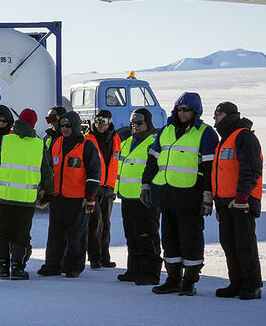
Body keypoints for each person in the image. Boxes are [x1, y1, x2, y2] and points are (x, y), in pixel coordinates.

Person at [141, 92, 219, 296]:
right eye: (180, 109)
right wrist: (146, 185)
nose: (183, 113)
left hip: (190, 196)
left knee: (190, 240)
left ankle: (189, 282)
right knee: (169, 240)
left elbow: (210, 168)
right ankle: (173, 279)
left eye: (187, 109)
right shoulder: (165, 131)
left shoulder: (205, 133)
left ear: (196, 111)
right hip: (166, 195)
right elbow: (152, 160)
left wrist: (208, 195)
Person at [0, 108, 53, 280]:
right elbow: (47, 172)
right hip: (26, 199)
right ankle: (18, 268)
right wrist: (49, 192)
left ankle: (2, 267)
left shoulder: (6, 140)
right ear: (33, 124)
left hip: (4, 197)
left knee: (2, 232)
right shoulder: (39, 144)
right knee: (22, 234)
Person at [37, 111, 101, 278]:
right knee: (55, 233)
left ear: (76, 127)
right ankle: (53, 265)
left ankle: (74, 266)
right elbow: (48, 169)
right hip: (58, 197)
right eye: (62, 126)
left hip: (77, 199)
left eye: (68, 126)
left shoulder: (86, 146)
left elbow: (94, 173)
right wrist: (44, 188)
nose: (64, 129)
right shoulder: (56, 142)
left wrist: (90, 198)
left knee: (77, 235)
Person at [210, 102, 263, 300]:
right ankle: (237, 282)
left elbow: (251, 168)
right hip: (225, 201)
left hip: (242, 201)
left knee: (244, 243)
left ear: (230, 115)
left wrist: (242, 195)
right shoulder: (225, 139)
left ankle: (252, 284)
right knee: (229, 244)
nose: (215, 118)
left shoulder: (244, 136)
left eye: (218, 114)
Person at [115, 108, 162, 285]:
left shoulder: (154, 143)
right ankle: (134, 269)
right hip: (127, 196)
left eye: (139, 123)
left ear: (148, 124)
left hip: (145, 198)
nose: (135, 126)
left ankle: (150, 272)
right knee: (132, 236)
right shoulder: (127, 142)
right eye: (133, 123)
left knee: (146, 236)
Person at [85, 109, 121, 269]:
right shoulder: (88, 138)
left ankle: (105, 257)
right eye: (98, 120)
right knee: (95, 223)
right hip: (94, 185)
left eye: (104, 121)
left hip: (109, 186)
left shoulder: (116, 139)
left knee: (106, 223)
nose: (100, 124)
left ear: (109, 122)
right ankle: (94, 258)